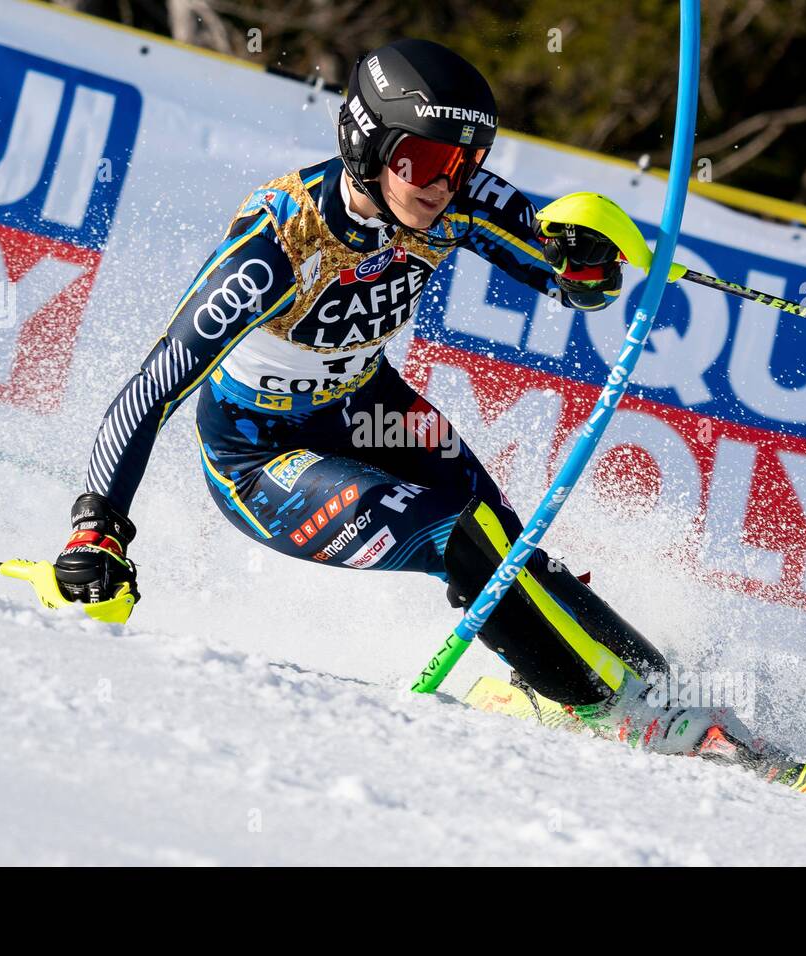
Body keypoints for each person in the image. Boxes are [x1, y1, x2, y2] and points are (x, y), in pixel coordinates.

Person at [53, 38, 752, 758]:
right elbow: (154, 388)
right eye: (423, 161)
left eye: (463, 163)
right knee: (460, 535)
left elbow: (569, 282)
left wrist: (589, 261)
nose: (444, 185)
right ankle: (619, 709)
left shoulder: (457, 203)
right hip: (261, 457)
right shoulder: (279, 247)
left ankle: (649, 686)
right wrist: (97, 528)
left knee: (506, 542)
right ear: (369, 144)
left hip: (367, 409)